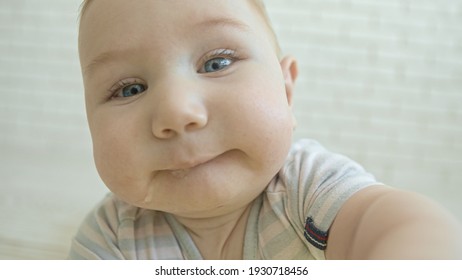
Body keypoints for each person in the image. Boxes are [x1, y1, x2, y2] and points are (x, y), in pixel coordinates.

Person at [69, 0, 462, 260]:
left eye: (217, 63)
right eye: (130, 89)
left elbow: (406, 226)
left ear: (286, 91)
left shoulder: (309, 189)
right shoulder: (110, 239)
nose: (177, 113)